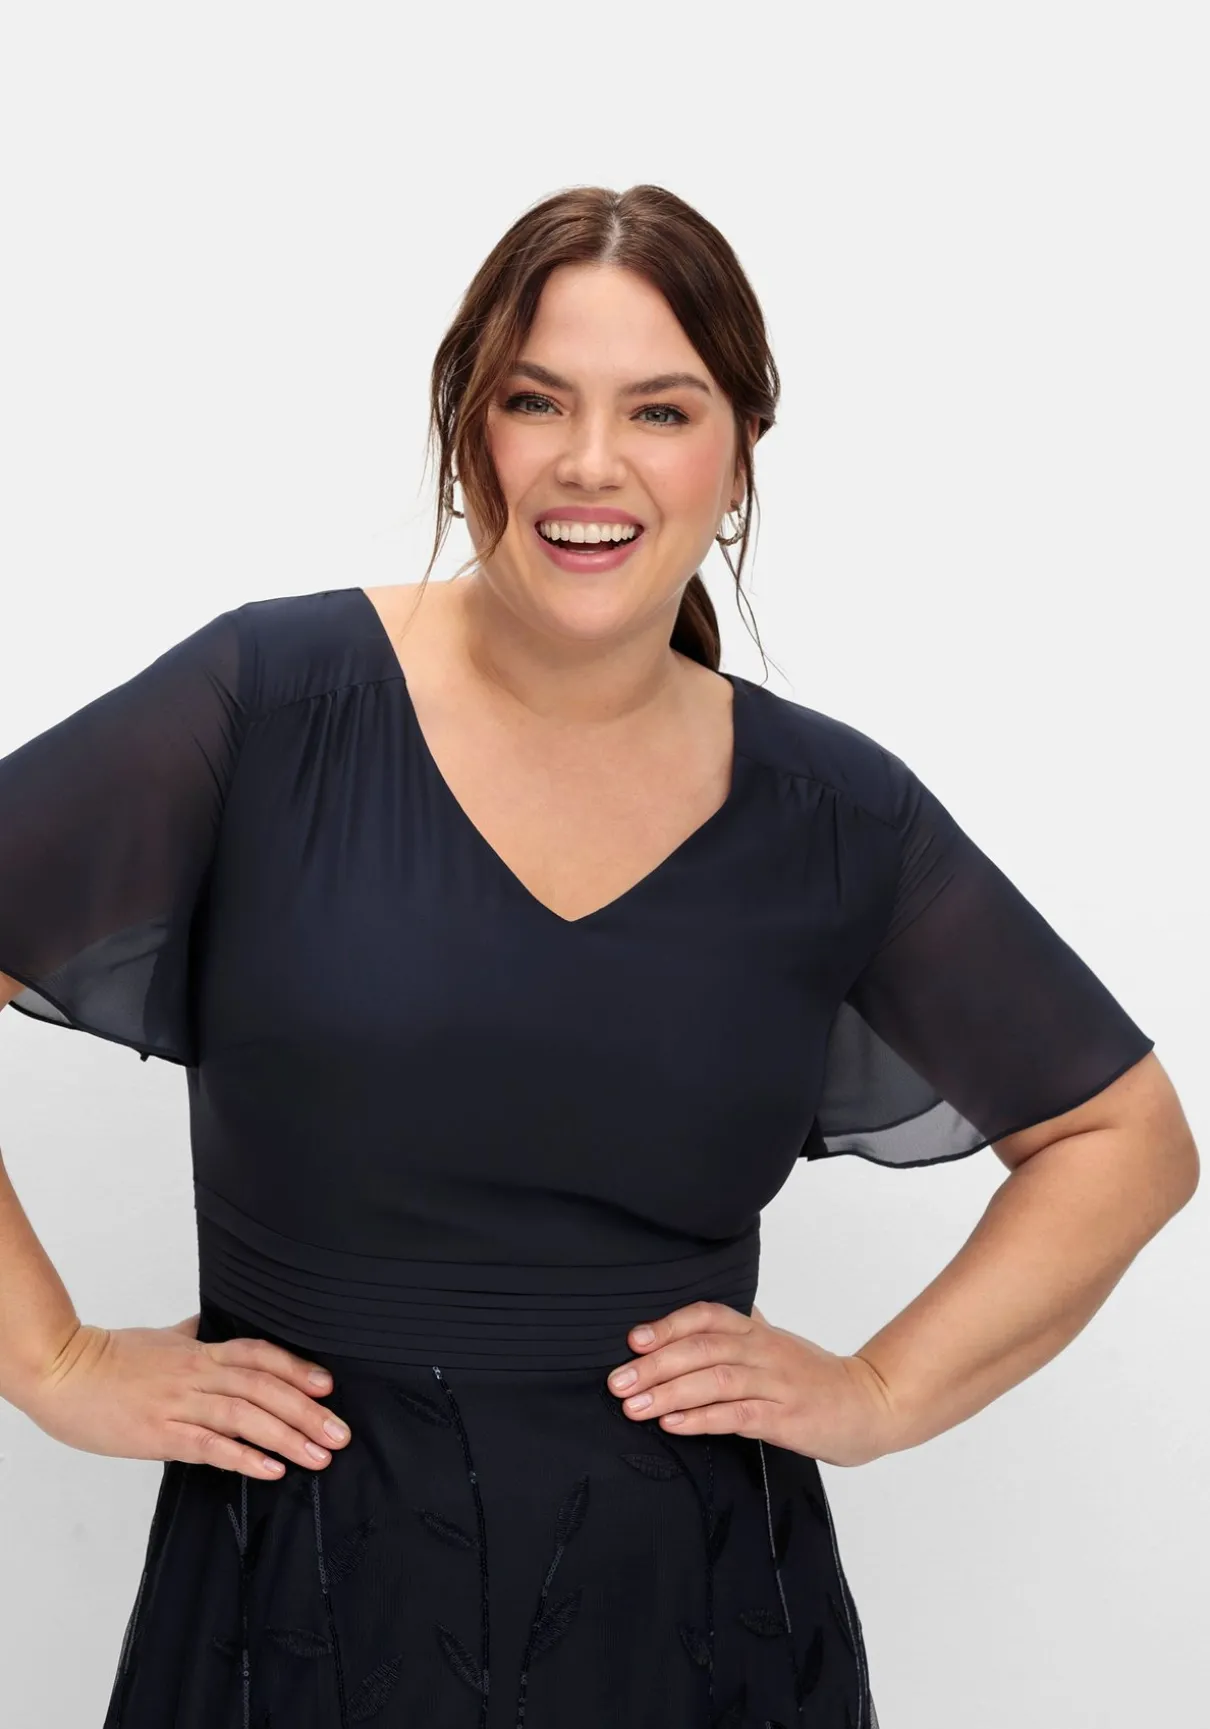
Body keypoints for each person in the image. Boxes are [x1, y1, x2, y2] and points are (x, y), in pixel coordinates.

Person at [0, 183, 1197, 1729]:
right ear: (468, 436)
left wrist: (882, 1393)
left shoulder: (835, 813)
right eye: (535, 400)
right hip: (298, 1598)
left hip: (695, 1616)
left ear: (737, 458)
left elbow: (1121, 1138)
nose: (589, 461)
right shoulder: (270, 701)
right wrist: (54, 1363)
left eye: (660, 410)